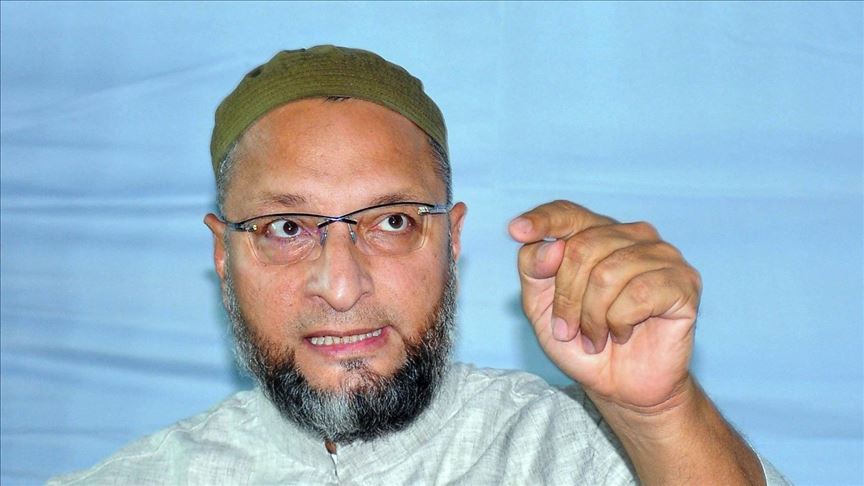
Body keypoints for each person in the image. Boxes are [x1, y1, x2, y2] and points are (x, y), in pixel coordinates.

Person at [51, 45, 788, 485]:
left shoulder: (584, 455)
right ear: (223, 253)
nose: (342, 287)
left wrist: (659, 412)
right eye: (287, 228)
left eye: (393, 221)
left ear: (451, 240)